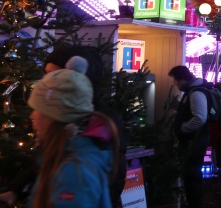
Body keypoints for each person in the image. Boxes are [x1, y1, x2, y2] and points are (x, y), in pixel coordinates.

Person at [0, 46, 127, 208]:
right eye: (46, 74)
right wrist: (16, 190)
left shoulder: (99, 128)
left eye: (55, 74)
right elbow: (46, 164)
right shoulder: (65, 136)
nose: (49, 80)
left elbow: (112, 179)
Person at [26, 56, 120, 208]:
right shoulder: (64, 156)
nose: (32, 116)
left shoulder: (74, 172)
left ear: (55, 116)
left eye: (38, 110)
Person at [168, 65, 211, 208]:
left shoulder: (196, 93)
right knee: (191, 175)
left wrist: (183, 128)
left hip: (194, 141)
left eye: (176, 81)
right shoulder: (193, 91)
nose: (175, 84)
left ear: (183, 79)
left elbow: (200, 118)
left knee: (191, 175)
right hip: (194, 140)